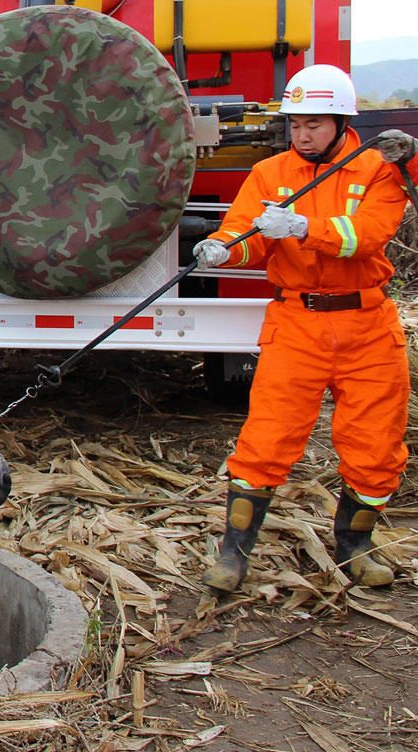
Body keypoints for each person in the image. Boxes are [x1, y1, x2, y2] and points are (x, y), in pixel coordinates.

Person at [192, 64, 410, 592]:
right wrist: (224, 250)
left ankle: (355, 549)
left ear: (339, 121)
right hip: (296, 322)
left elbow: (370, 236)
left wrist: (304, 227)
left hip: (368, 324)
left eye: (313, 124)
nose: (302, 135)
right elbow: (247, 234)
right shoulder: (271, 174)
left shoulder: (378, 169)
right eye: (295, 125)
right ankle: (233, 556)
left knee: (375, 445)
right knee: (266, 439)